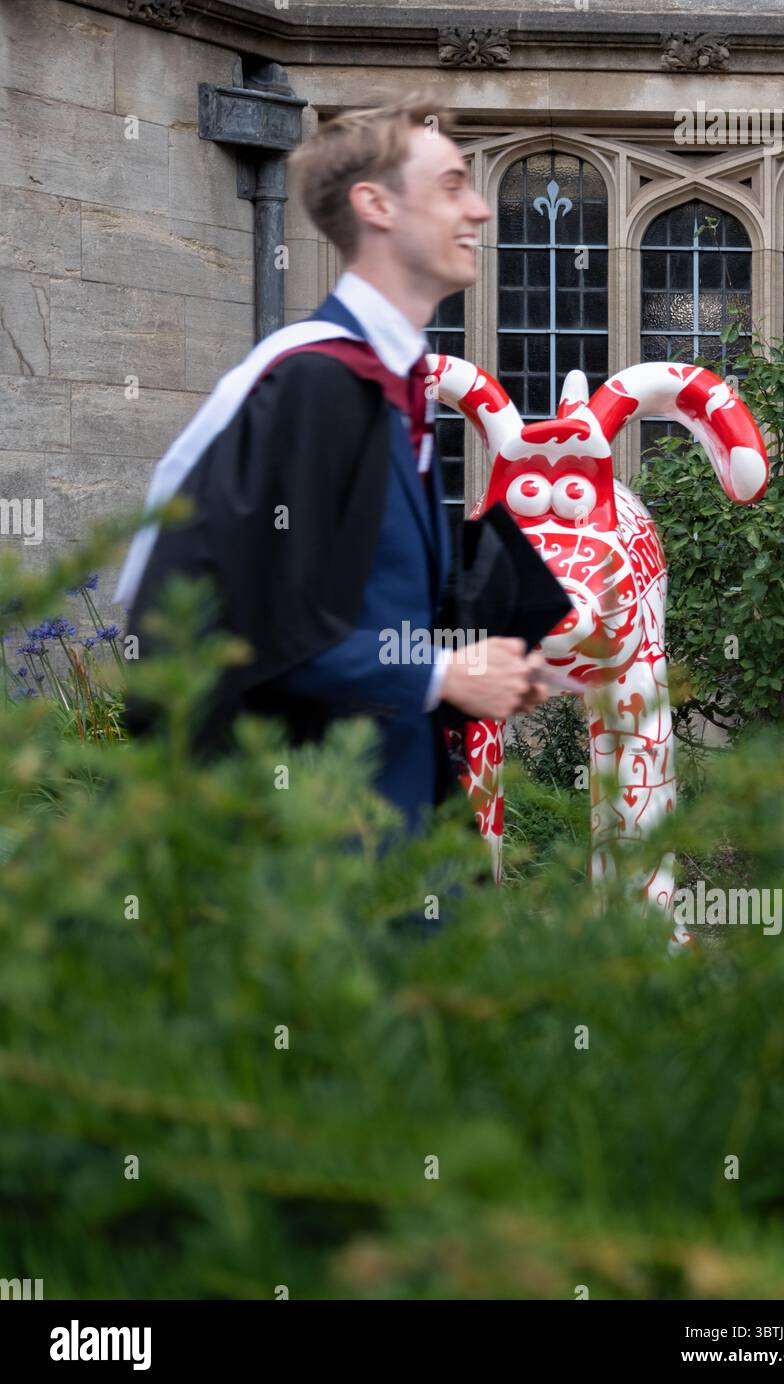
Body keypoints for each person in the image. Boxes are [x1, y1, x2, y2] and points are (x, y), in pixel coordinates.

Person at [114, 94, 552, 839]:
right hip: (310, 833)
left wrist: (484, 649)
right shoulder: (310, 381)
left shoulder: (396, 382)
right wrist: (443, 676)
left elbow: (361, 602)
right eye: (451, 185)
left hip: (399, 804)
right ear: (374, 203)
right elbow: (237, 620)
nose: (479, 210)